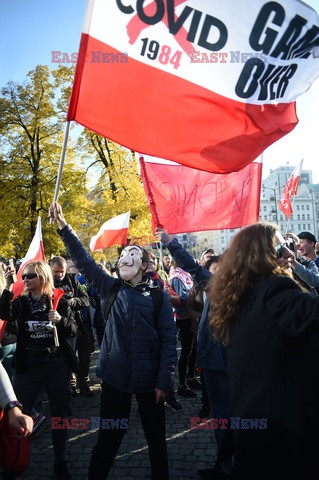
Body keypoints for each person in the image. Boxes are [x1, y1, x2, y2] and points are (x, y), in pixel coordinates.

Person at [49, 202, 177, 480]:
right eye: (122, 256)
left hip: (149, 383)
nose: (124, 259)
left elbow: (169, 340)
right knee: (108, 441)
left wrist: (164, 381)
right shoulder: (110, 287)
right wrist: (63, 227)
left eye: (133, 254)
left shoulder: (158, 297)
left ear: (145, 265)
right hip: (115, 380)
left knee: (156, 442)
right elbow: (83, 260)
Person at [207, 222, 319, 480]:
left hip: (252, 422)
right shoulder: (275, 289)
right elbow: (311, 313)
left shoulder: (240, 294)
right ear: (264, 254)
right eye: (281, 247)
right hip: (283, 430)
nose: (289, 253)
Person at [0, 261, 77, 480]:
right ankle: (14, 462)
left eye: (30, 276)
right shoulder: (22, 302)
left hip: (55, 365)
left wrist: (60, 321)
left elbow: (72, 331)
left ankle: (60, 461)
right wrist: (7, 286)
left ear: (42, 277)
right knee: (17, 415)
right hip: (28, 366)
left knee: (59, 415)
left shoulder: (58, 299)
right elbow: (4, 314)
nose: (25, 280)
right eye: (23, 276)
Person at [50, 256, 92, 396]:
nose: (59, 275)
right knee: (69, 357)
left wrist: (74, 301)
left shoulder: (72, 280)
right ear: (50, 269)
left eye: (62, 271)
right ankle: (71, 384)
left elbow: (86, 300)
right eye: (56, 271)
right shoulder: (47, 283)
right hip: (62, 326)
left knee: (85, 354)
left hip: (79, 323)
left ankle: (83, 381)